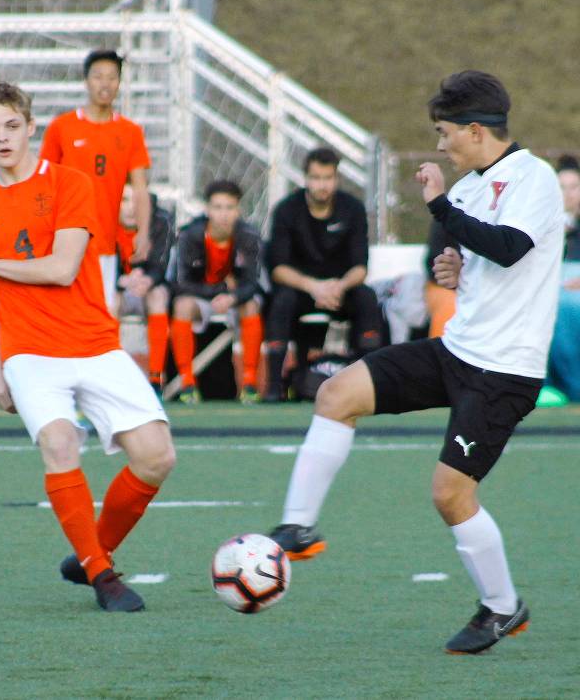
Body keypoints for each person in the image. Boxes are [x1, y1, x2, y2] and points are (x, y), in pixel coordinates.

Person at [265, 71, 564, 654]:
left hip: (505, 372)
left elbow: (509, 246)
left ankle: (503, 608)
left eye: (444, 133)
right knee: (336, 394)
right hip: (457, 350)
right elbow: (488, 260)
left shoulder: (535, 178)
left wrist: (439, 206)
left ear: (476, 131)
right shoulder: (474, 187)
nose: (440, 145)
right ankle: (297, 527)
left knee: (450, 495)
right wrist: (457, 273)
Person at [0, 81, 175, 612]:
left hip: (93, 341)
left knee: (157, 457)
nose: (3, 138)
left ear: (31, 128)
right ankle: (102, 576)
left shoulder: (70, 183)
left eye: (12, 126)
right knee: (60, 442)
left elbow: (63, 267)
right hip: (29, 352)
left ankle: (94, 551)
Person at [262, 147, 382, 402]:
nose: (322, 185)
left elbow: (361, 267)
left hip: (340, 290)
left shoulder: (353, 209)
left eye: (328, 178)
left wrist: (338, 287)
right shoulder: (286, 210)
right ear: (305, 178)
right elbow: (278, 269)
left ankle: (369, 383)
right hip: (301, 290)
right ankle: (273, 386)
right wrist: (313, 287)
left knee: (367, 298)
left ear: (336, 179)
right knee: (281, 300)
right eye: (316, 178)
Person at [40, 49, 153, 312]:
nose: (105, 83)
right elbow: (45, 182)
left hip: (104, 242)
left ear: (119, 83)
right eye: (98, 76)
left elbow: (140, 188)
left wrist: (144, 232)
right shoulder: (62, 127)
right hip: (65, 239)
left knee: (102, 315)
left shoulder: (130, 131)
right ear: (86, 81)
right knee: (64, 314)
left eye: (112, 77)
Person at [169, 179, 263, 403]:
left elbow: (253, 283)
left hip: (234, 300)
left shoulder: (249, 236)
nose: (224, 214)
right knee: (182, 305)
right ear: (207, 209)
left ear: (238, 210)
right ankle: (187, 383)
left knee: (252, 305)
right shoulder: (190, 235)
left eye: (229, 207)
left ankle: (249, 383)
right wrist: (220, 290)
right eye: (218, 207)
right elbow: (179, 283)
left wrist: (233, 297)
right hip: (202, 298)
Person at [115, 184, 173, 394]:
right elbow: (98, 265)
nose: (131, 209)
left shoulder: (160, 221)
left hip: (147, 288)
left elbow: (161, 264)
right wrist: (120, 280)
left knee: (158, 296)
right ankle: (108, 370)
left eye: (137, 202)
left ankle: (156, 375)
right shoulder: (104, 222)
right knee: (109, 299)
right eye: (124, 201)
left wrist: (147, 279)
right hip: (119, 289)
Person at [540, 155, 580, 404]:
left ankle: (573, 385)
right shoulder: (543, 226)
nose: (568, 194)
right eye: (561, 188)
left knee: (566, 307)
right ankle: (546, 385)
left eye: (574, 187)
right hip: (550, 289)